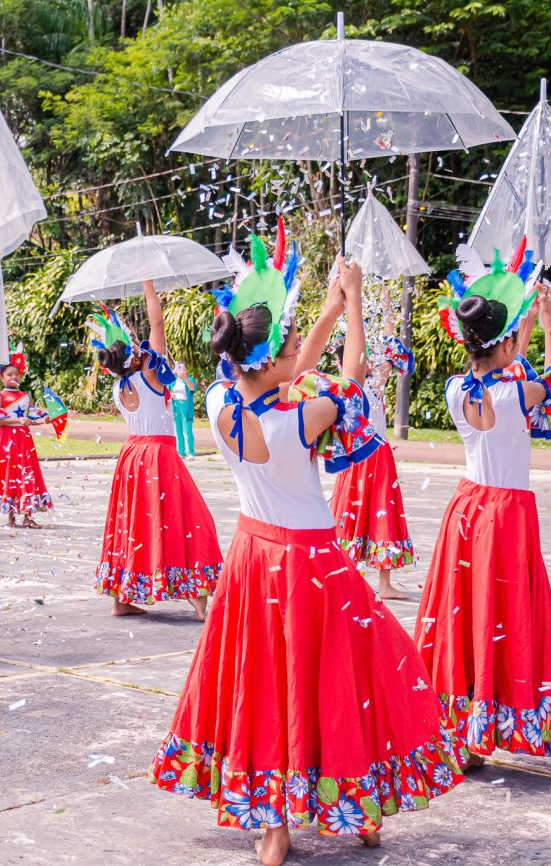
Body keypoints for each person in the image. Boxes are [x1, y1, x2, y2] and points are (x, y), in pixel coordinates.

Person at [150, 230, 462, 866]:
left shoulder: (219, 400)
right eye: (291, 347)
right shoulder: (306, 416)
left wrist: (322, 311)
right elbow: (352, 377)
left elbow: (287, 370)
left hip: (251, 559)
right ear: (273, 364)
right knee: (338, 681)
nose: (300, 353)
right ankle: (355, 804)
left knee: (263, 687)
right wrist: (353, 302)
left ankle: (273, 827)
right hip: (312, 566)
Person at [415, 243, 551, 780]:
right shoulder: (521, 392)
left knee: (468, 619)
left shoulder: (455, 389)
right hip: (508, 516)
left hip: (467, 510)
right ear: (508, 341)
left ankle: (469, 741)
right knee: (525, 619)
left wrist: (526, 320)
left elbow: (505, 365)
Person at [88, 282, 222, 619]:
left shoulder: (120, 386)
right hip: (157, 455)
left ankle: (122, 598)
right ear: (133, 357)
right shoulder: (149, 376)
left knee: (134, 524)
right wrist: (149, 285)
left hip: (131, 456)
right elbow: (157, 324)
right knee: (189, 517)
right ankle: (197, 598)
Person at [329, 320, 415, 599]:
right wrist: (387, 315)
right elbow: (389, 348)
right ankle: (380, 583)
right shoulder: (369, 386)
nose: (372, 361)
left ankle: (354, 579)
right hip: (371, 458)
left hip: (359, 459)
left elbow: (389, 348)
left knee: (354, 515)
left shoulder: (342, 390)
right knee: (378, 513)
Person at [0, 346, 52, 527]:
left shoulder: (26, 396)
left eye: (16, 374)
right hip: (7, 441)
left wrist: (43, 420)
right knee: (10, 473)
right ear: (2, 377)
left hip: (24, 440)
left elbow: (32, 417)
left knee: (27, 473)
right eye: (9, 374)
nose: (14, 377)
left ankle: (28, 516)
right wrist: (17, 420)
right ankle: (11, 515)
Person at [171, 361, 197, 458]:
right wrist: (171, 394)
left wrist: (185, 378)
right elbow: (166, 391)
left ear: (186, 371)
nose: (181, 370)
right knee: (178, 432)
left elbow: (192, 388)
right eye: (179, 368)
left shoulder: (190, 380)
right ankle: (180, 453)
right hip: (176, 407)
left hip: (186, 407)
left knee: (187, 431)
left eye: (183, 369)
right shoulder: (173, 381)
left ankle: (190, 452)